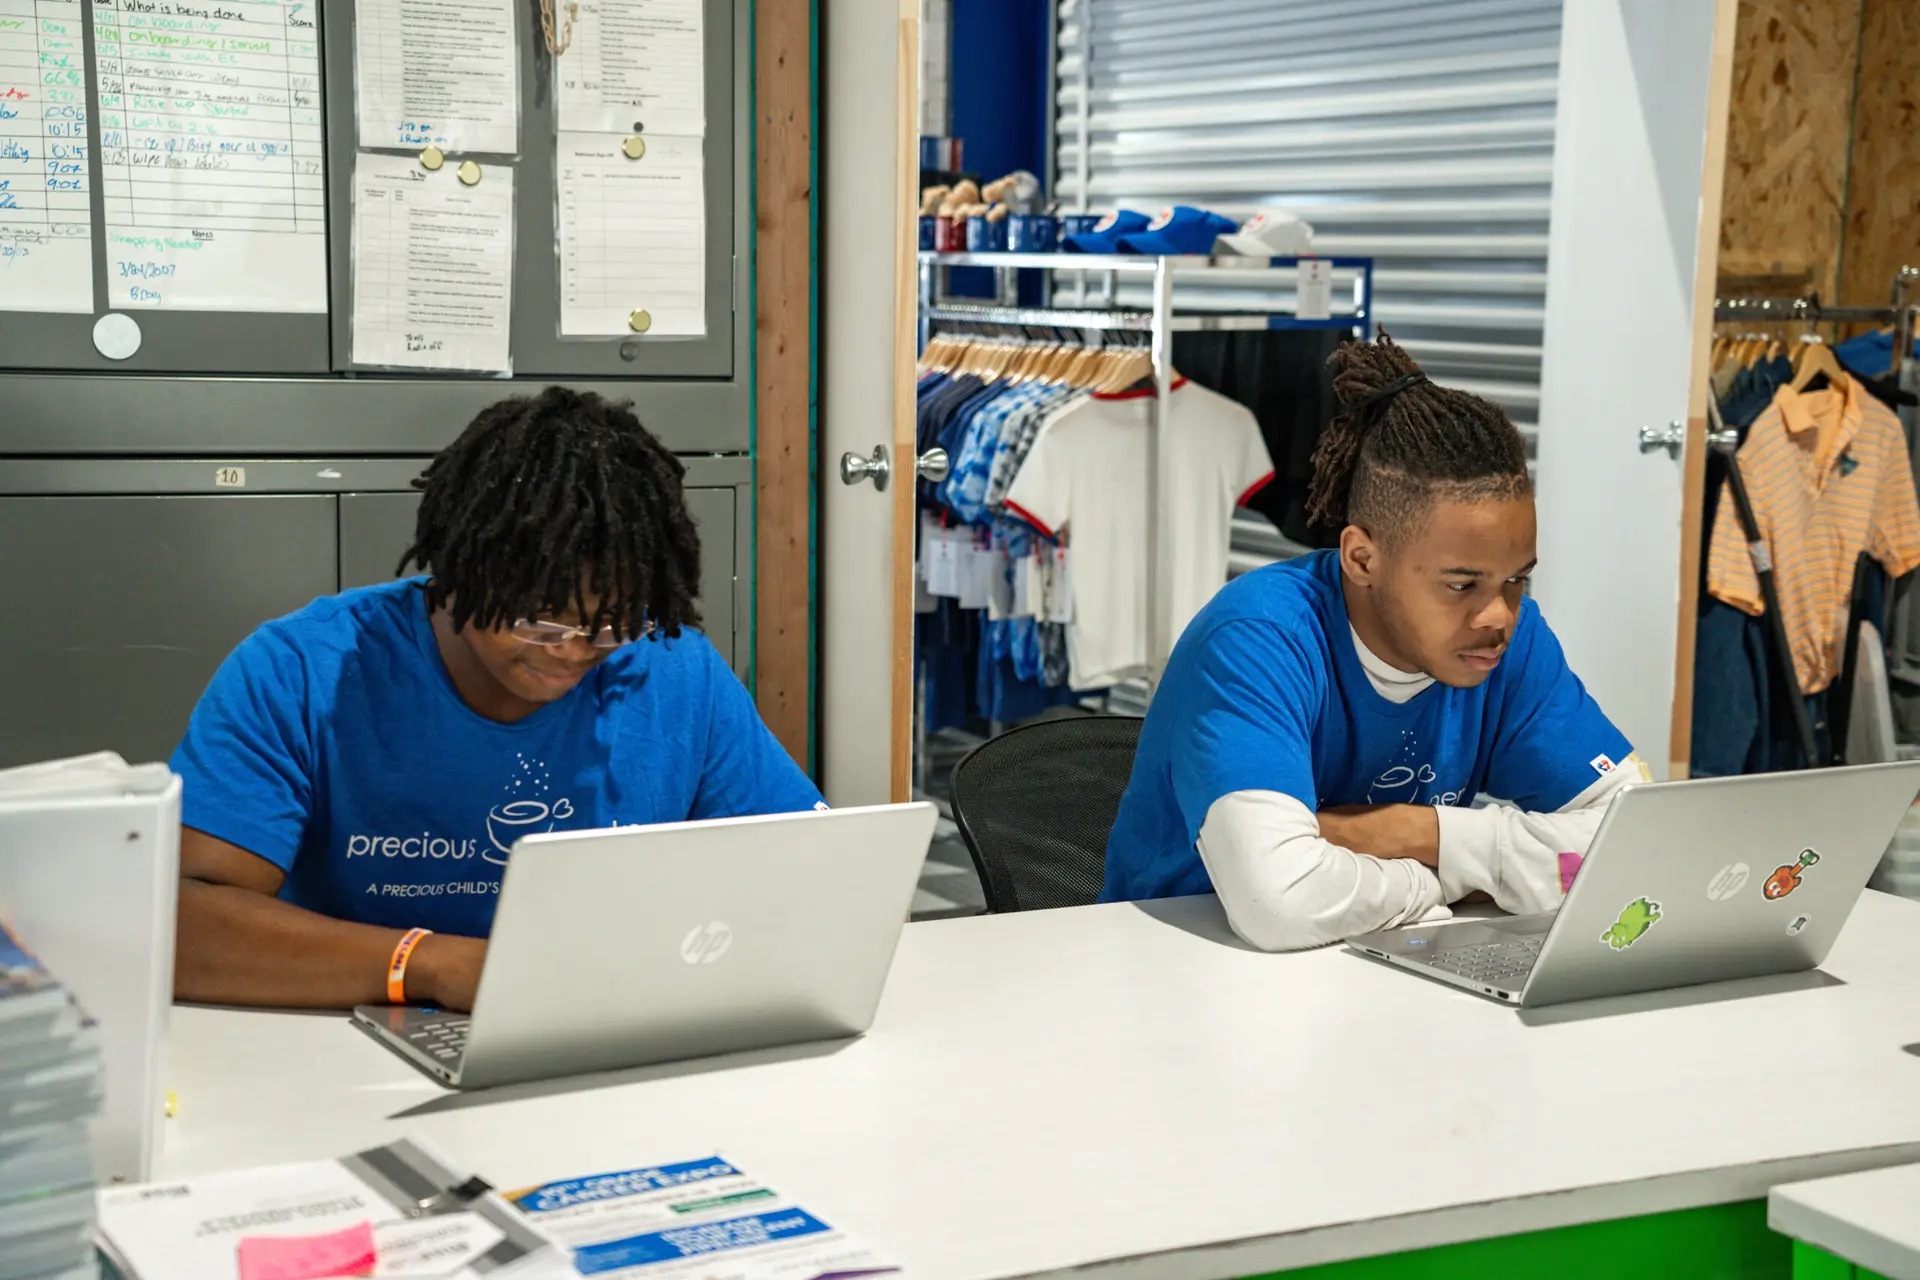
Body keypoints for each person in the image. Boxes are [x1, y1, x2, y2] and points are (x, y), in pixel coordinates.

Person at [171, 388, 824, 1011]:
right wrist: (433, 966)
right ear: (460, 571)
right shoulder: (302, 670)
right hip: (343, 1039)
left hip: (601, 1021)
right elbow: (181, 922)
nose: (573, 650)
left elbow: (811, 873)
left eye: (611, 624)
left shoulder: (674, 671)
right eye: (541, 621)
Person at [1102, 335, 1648, 951]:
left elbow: (1639, 842)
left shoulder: (1510, 643)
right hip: (1180, 966)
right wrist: (1437, 882)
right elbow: (1279, 903)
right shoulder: (1257, 640)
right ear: (1362, 558)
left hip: (1382, 962)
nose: (1499, 614)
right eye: (1461, 584)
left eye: (1517, 579)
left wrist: (1419, 834)